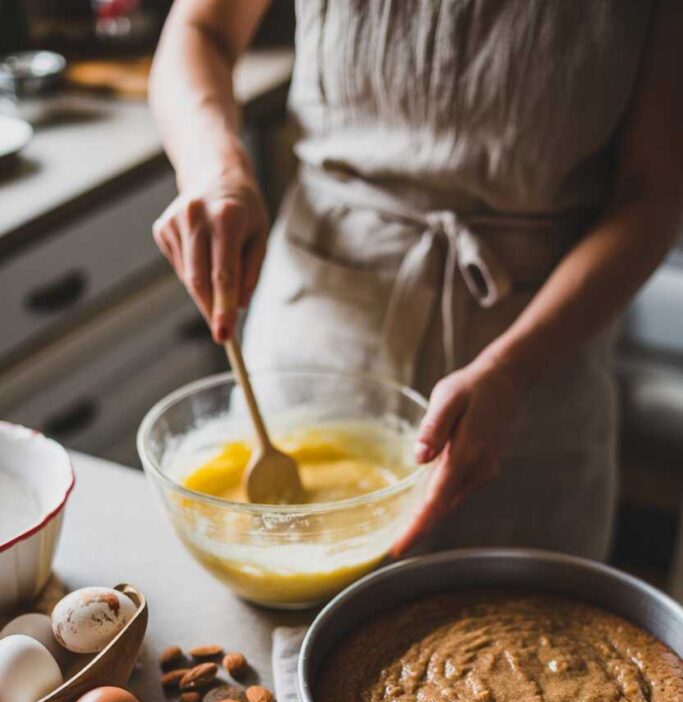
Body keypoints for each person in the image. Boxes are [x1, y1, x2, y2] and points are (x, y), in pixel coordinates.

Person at [149, 0, 683, 560]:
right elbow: (200, 29)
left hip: (536, 381)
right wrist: (216, 170)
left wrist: (510, 371)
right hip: (315, 334)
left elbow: (651, 197)